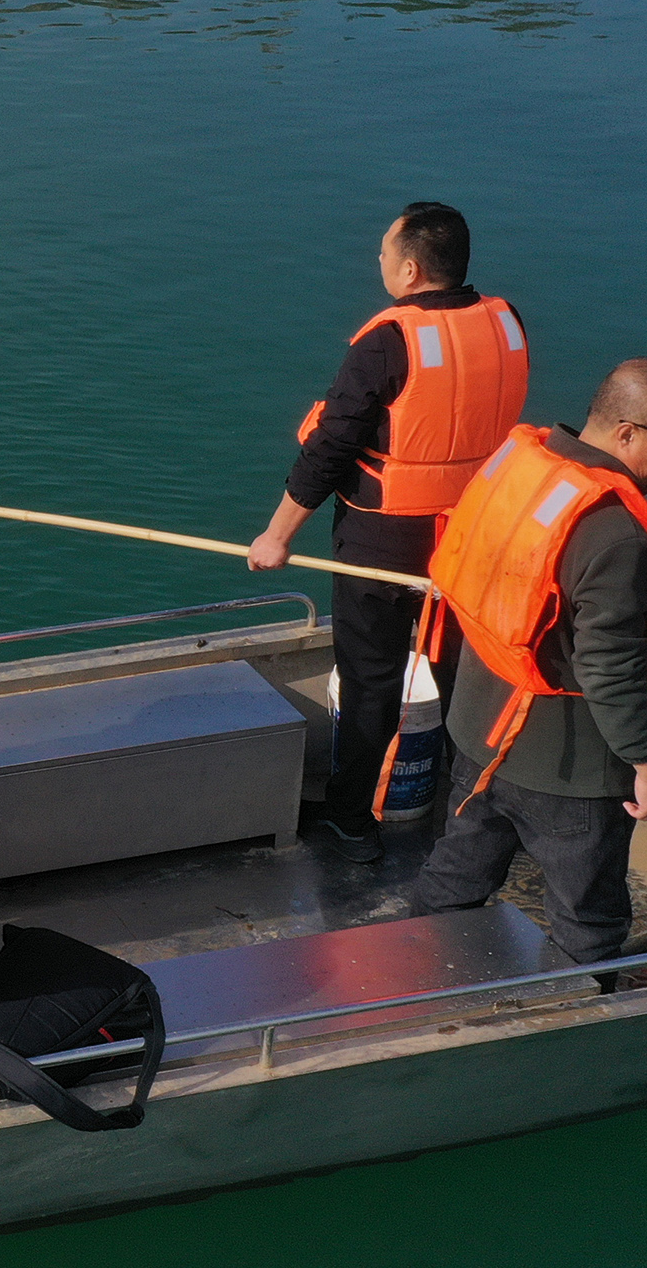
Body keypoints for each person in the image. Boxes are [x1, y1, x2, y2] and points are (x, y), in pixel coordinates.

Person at [246, 202, 528, 864]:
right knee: (462, 674)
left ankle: (352, 820)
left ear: (408, 268)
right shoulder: (506, 324)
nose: (377, 264)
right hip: (476, 536)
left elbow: (331, 449)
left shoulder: (387, 341)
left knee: (371, 679)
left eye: (381, 254)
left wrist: (277, 536)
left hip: (383, 541)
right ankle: (465, 814)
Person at [411, 360, 647, 967]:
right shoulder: (620, 538)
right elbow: (610, 669)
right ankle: (574, 1030)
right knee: (586, 919)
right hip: (569, 773)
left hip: (475, 734)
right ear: (627, 434)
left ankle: (411, 979)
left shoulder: (517, 469)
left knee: (456, 877)